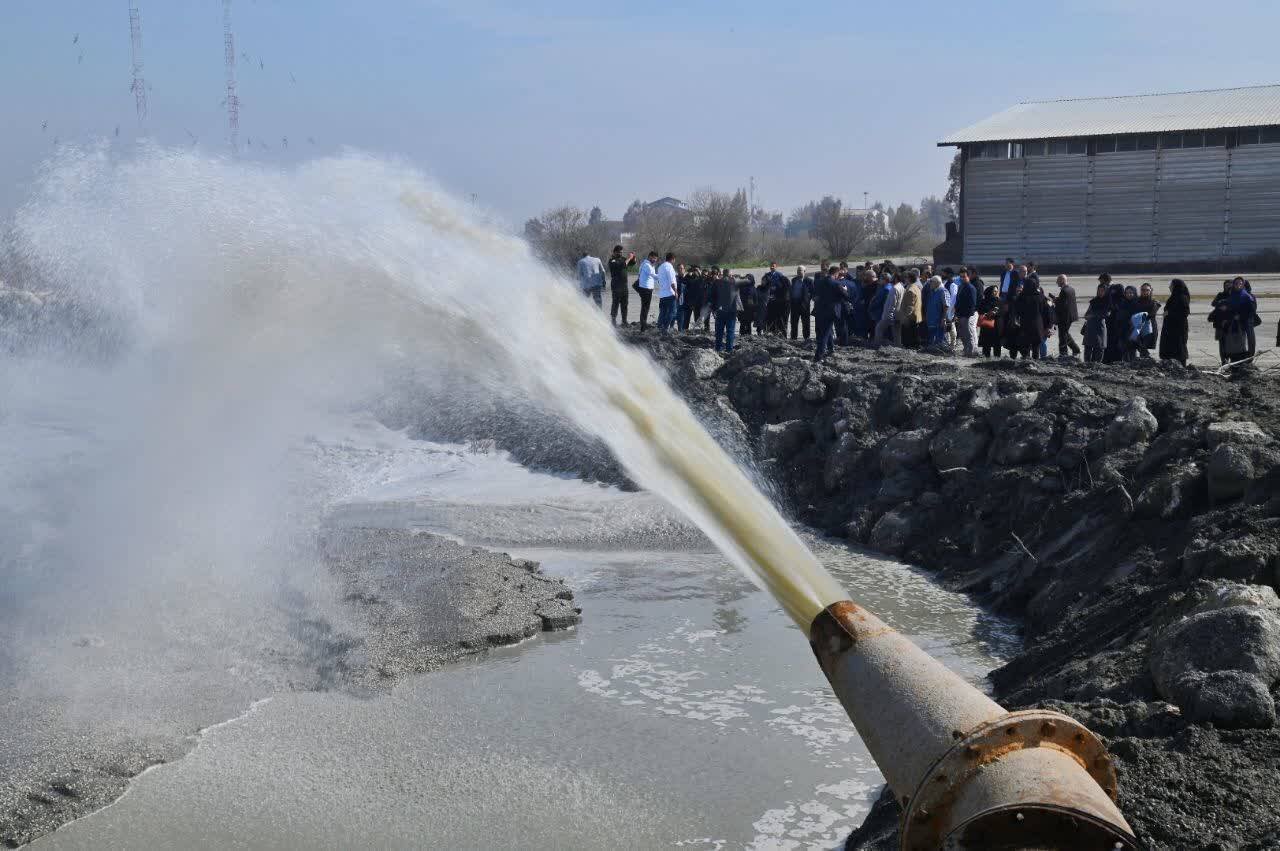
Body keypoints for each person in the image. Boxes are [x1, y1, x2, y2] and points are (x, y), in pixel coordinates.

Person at [813, 265, 846, 362]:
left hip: (820, 310)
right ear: (836, 273)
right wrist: (845, 290)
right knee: (825, 334)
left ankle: (831, 349)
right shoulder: (836, 283)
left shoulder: (819, 282)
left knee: (827, 331)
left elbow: (816, 295)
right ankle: (818, 356)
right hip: (831, 312)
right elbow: (846, 295)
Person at [1159, 278, 1191, 365]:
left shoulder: (1182, 297)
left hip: (1178, 329)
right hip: (1171, 328)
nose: (1169, 287)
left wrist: (1169, 313)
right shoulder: (1175, 297)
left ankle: (1181, 368)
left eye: (1171, 285)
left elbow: (1185, 312)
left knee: (1179, 349)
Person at [711, 268, 742, 352]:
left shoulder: (717, 282)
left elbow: (712, 296)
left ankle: (718, 348)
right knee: (730, 331)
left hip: (720, 310)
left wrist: (713, 309)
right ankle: (729, 349)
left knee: (719, 331)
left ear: (722, 274)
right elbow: (737, 298)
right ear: (730, 275)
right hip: (731, 311)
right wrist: (739, 310)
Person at [607, 245, 636, 326]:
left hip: (624, 285)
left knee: (625, 304)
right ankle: (613, 321)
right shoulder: (612, 261)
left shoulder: (623, 259)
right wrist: (629, 258)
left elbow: (632, 263)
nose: (621, 253)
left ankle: (624, 321)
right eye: (619, 252)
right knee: (615, 303)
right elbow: (622, 265)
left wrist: (633, 256)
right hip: (616, 286)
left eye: (622, 252)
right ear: (615, 252)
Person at [954, 268, 979, 356]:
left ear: (968, 277)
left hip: (967, 315)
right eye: (961, 277)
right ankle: (966, 350)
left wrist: (968, 316)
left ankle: (971, 352)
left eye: (964, 277)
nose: (962, 278)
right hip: (961, 315)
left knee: (969, 334)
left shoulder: (971, 288)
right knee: (962, 334)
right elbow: (958, 300)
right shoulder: (961, 286)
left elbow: (972, 304)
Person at [1082, 284, 1110, 363]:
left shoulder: (1108, 302)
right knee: (1088, 348)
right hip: (1090, 327)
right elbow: (1086, 315)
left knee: (1099, 348)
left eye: (1102, 291)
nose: (1100, 292)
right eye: (1099, 290)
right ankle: (1086, 365)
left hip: (1100, 327)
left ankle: (1097, 365)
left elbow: (1106, 314)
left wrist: (1093, 315)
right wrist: (1090, 316)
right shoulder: (1094, 301)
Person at [1055, 275, 1081, 357]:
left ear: (1062, 280)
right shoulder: (1071, 289)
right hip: (1071, 316)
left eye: (1058, 280)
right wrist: (1058, 300)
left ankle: (1063, 353)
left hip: (1065, 317)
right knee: (1065, 334)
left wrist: (1054, 303)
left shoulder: (1064, 291)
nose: (1057, 282)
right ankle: (1075, 349)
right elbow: (1067, 302)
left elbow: (1062, 306)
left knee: (1062, 335)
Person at [634, 251, 659, 331]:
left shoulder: (645, 264)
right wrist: (664, 275)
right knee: (645, 308)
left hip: (645, 288)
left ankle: (643, 325)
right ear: (650, 257)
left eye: (656, 259)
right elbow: (654, 276)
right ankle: (643, 327)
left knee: (644, 307)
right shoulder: (647, 265)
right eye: (654, 258)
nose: (655, 260)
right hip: (646, 289)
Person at [922, 275, 949, 348]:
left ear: (937, 283)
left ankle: (939, 351)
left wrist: (943, 318)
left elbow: (946, 306)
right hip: (931, 320)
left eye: (931, 282)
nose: (930, 283)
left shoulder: (943, 291)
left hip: (938, 320)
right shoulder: (932, 291)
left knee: (939, 339)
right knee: (931, 339)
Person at [1001, 280, 1026, 356]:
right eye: (1018, 288)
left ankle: (1025, 360)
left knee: (1023, 348)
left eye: (1021, 288)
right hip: (1012, 326)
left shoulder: (1026, 300)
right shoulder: (1011, 300)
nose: (1019, 289)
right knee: (1012, 347)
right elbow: (1006, 314)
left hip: (1023, 327)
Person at [977, 284, 1003, 358]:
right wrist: (988, 312)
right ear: (990, 292)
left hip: (997, 326)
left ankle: (997, 360)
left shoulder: (999, 301)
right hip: (986, 325)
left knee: (997, 345)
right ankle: (986, 360)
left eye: (997, 291)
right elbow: (980, 310)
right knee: (986, 345)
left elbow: (1003, 312)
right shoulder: (984, 301)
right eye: (994, 291)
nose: (996, 293)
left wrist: (996, 313)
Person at [899, 270, 923, 349]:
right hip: (916, 316)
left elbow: (910, 306)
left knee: (909, 338)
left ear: (909, 279)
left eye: (906, 278)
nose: (904, 279)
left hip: (910, 318)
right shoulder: (916, 288)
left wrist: (905, 317)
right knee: (914, 335)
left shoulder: (910, 290)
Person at [656, 252, 679, 332]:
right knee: (673, 312)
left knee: (663, 312)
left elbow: (659, 281)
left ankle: (659, 327)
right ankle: (665, 328)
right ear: (672, 259)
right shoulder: (669, 267)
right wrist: (676, 292)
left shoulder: (660, 267)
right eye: (674, 259)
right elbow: (672, 281)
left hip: (662, 294)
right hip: (669, 293)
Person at [789, 266, 813, 341]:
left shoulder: (809, 281)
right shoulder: (794, 280)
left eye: (800, 270)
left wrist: (807, 300)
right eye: (798, 270)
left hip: (804, 305)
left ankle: (806, 337)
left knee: (806, 323)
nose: (799, 272)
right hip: (794, 304)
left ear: (804, 271)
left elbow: (812, 292)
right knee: (794, 322)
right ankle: (793, 338)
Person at [873, 273, 897, 345]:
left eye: (880, 279)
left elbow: (882, 302)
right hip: (885, 312)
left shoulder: (886, 289)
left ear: (884, 280)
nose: (879, 280)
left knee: (880, 330)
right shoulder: (890, 287)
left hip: (881, 312)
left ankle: (880, 344)